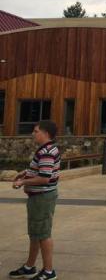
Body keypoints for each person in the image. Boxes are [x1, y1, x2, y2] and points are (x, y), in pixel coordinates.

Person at [10, 120, 60, 280]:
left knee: (43, 234)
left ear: (45, 133)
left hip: (42, 198)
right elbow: (42, 169)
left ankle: (48, 271)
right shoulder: (46, 149)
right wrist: (26, 172)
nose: (33, 134)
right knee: (35, 233)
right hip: (38, 198)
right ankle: (29, 267)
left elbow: (44, 178)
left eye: (36, 131)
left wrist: (22, 182)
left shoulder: (46, 151)